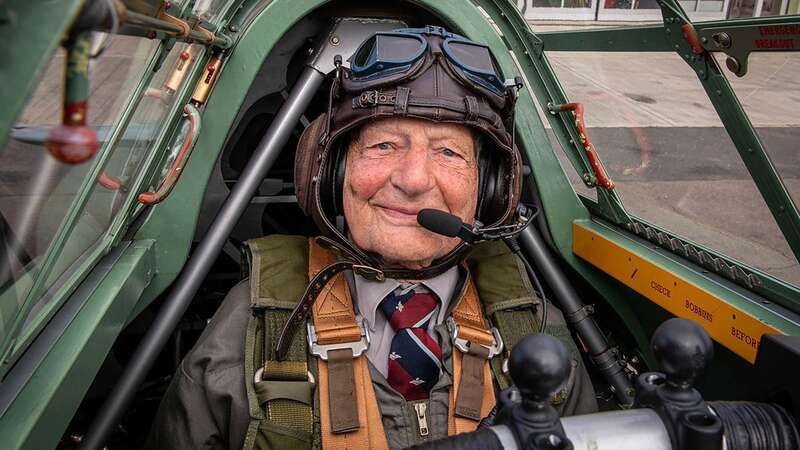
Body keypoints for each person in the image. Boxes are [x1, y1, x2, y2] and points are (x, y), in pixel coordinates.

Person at [147, 26, 597, 450]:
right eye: (384, 145)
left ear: (492, 188)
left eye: (448, 152)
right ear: (331, 175)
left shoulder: (535, 327)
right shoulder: (251, 326)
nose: (414, 180)